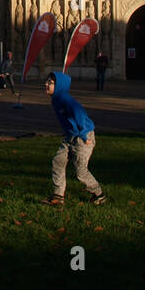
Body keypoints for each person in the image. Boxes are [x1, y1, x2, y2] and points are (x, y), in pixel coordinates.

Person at [42, 71, 106, 206]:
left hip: (83, 136)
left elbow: (80, 113)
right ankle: (58, 196)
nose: (46, 84)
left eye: (50, 83)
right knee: (58, 161)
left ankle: (98, 194)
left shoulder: (65, 99)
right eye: (47, 82)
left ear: (59, 86)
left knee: (80, 171)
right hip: (71, 136)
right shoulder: (56, 98)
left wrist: (83, 135)